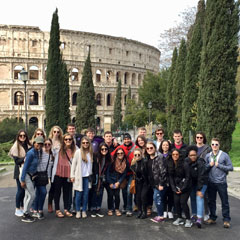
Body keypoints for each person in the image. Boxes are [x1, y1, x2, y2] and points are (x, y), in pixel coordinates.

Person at [205, 138, 233, 228]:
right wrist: (209, 165)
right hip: (211, 182)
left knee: (224, 202)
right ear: (211, 145)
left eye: (216, 144)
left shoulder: (224, 155)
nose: (214, 146)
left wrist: (219, 165)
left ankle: (226, 220)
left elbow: (231, 167)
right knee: (211, 201)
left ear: (219, 145)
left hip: (221, 182)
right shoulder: (208, 156)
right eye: (213, 144)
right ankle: (212, 218)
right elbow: (204, 168)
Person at [111, 133, 137, 216]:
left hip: (131, 173)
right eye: (125, 139)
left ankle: (129, 209)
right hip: (122, 173)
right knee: (124, 191)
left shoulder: (135, 148)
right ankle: (125, 206)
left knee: (129, 190)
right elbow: (112, 155)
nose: (126, 140)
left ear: (130, 139)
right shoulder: (120, 147)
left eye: (128, 139)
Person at [51, 133, 76, 218]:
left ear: (72, 141)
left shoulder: (75, 150)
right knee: (57, 192)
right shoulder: (58, 149)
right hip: (58, 173)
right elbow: (50, 146)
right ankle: (57, 210)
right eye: (66, 139)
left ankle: (66, 209)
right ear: (63, 141)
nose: (68, 141)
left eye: (70, 139)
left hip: (68, 174)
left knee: (67, 192)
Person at [20, 136, 44, 223]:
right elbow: (25, 167)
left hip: (30, 176)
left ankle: (25, 213)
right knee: (32, 195)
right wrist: (22, 180)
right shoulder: (31, 153)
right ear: (34, 143)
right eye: (38, 143)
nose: (39, 145)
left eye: (41, 144)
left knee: (27, 195)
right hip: (26, 175)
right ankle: (25, 214)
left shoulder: (37, 152)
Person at [9, 129, 31, 217]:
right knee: (20, 190)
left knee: (25, 190)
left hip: (27, 170)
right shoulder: (15, 147)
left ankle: (22, 206)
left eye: (24, 136)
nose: (22, 137)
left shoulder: (28, 145)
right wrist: (25, 159)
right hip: (19, 170)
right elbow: (17, 161)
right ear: (18, 137)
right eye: (21, 136)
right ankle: (17, 208)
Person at [168, 148, 192, 228]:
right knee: (176, 201)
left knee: (183, 202)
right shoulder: (171, 164)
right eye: (173, 154)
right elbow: (170, 178)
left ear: (179, 155)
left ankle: (188, 219)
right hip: (176, 186)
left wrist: (182, 188)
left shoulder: (185, 164)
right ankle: (179, 218)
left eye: (177, 154)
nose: (175, 156)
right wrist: (174, 188)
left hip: (186, 186)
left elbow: (188, 177)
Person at [71, 136, 93, 219]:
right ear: (81, 144)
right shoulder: (78, 152)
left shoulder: (90, 152)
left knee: (86, 195)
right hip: (79, 177)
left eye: (87, 143)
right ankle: (77, 211)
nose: (85, 144)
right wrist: (72, 176)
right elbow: (73, 164)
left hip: (87, 177)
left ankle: (84, 210)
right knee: (78, 195)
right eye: (83, 143)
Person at [145, 142, 167, 223]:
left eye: (151, 148)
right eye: (148, 148)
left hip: (160, 183)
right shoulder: (147, 158)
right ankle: (160, 214)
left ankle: (160, 216)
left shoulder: (160, 157)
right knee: (158, 198)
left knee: (157, 198)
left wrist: (161, 183)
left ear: (155, 148)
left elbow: (163, 171)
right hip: (153, 183)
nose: (149, 149)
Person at [32, 138, 54, 220]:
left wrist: (48, 177)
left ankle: (36, 210)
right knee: (43, 192)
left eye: (49, 144)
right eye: (45, 144)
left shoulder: (52, 154)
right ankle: (39, 210)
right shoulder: (39, 153)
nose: (47, 146)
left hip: (44, 176)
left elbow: (49, 167)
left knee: (39, 193)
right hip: (37, 175)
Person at [187, 145, 208, 228]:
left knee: (199, 197)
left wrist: (199, 189)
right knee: (192, 197)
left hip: (202, 182)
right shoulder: (187, 162)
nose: (193, 157)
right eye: (191, 155)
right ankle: (194, 214)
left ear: (197, 155)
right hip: (192, 183)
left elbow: (201, 176)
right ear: (188, 156)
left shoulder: (200, 162)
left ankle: (199, 218)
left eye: (194, 155)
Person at [90, 142, 111, 217]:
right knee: (95, 193)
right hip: (96, 177)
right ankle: (93, 209)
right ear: (99, 149)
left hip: (102, 178)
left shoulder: (108, 158)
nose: (104, 150)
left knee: (100, 193)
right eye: (102, 149)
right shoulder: (95, 156)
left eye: (105, 149)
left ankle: (98, 208)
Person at [194, 131, 211, 221]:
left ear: (203, 138)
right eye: (197, 137)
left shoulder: (207, 148)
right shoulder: (193, 148)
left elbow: (209, 161)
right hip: (194, 174)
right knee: (196, 195)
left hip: (204, 174)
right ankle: (197, 213)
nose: (199, 139)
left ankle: (206, 213)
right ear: (195, 138)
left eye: (201, 137)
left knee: (204, 196)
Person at [106, 147, 127, 217]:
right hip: (111, 180)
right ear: (116, 154)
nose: (120, 154)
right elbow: (107, 173)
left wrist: (119, 182)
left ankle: (117, 209)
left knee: (117, 195)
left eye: (121, 153)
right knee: (110, 195)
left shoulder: (126, 162)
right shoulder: (112, 161)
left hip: (118, 181)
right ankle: (110, 209)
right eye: (118, 153)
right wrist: (110, 182)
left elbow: (124, 174)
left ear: (124, 154)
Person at [48, 125, 63, 213]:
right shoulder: (49, 141)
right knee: (52, 186)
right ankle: (50, 203)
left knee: (58, 187)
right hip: (51, 166)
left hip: (60, 165)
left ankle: (56, 204)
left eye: (58, 132)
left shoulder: (62, 142)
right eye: (55, 131)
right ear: (52, 132)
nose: (56, 133)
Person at [130, 148, 148, 219]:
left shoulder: (145, 161)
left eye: (138, 154)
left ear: (141, 154)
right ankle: (139, 211)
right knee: (137, 197)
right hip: (138, 182)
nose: (137, 156)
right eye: (135, 155)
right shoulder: (133, 163)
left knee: (143, 196)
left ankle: (144, 212)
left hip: (145, 182)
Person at [159, 140, 174, 219]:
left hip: (170, 179)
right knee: (163, 196)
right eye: (163, 145)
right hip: (162, 179)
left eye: (167, 145)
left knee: (170, 195)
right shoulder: (159, 155)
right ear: (161, 146)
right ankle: (165, 210)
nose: (165, 146)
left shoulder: (172, 155)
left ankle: (170, 211)